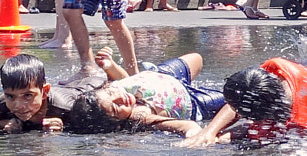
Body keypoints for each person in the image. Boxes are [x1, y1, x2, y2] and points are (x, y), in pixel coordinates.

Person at [185, 57, 307, 145]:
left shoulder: (299, 124)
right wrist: (209, 131)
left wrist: (216, 138)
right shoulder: (280, 67)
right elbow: (243, 99)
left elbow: (246, 129)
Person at [63, 50, 226, 135]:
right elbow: (187, 125)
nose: (121, 99)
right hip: (194, 101)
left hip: (164, 74)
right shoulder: (140, 117)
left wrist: (110, 67)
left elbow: (125, 79)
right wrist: (194, 134)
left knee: (196, 58)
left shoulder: (113, 89)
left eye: (112, 95)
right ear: (115, 122)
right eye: (115, 108)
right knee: (233, 101)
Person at [0, 52, 62, 133]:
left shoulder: (64, 107)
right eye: (10, 96)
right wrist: (6, 123)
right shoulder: (2, 105)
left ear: (44, 92)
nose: (19, 106)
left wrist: (63, 126)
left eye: (27, 95)